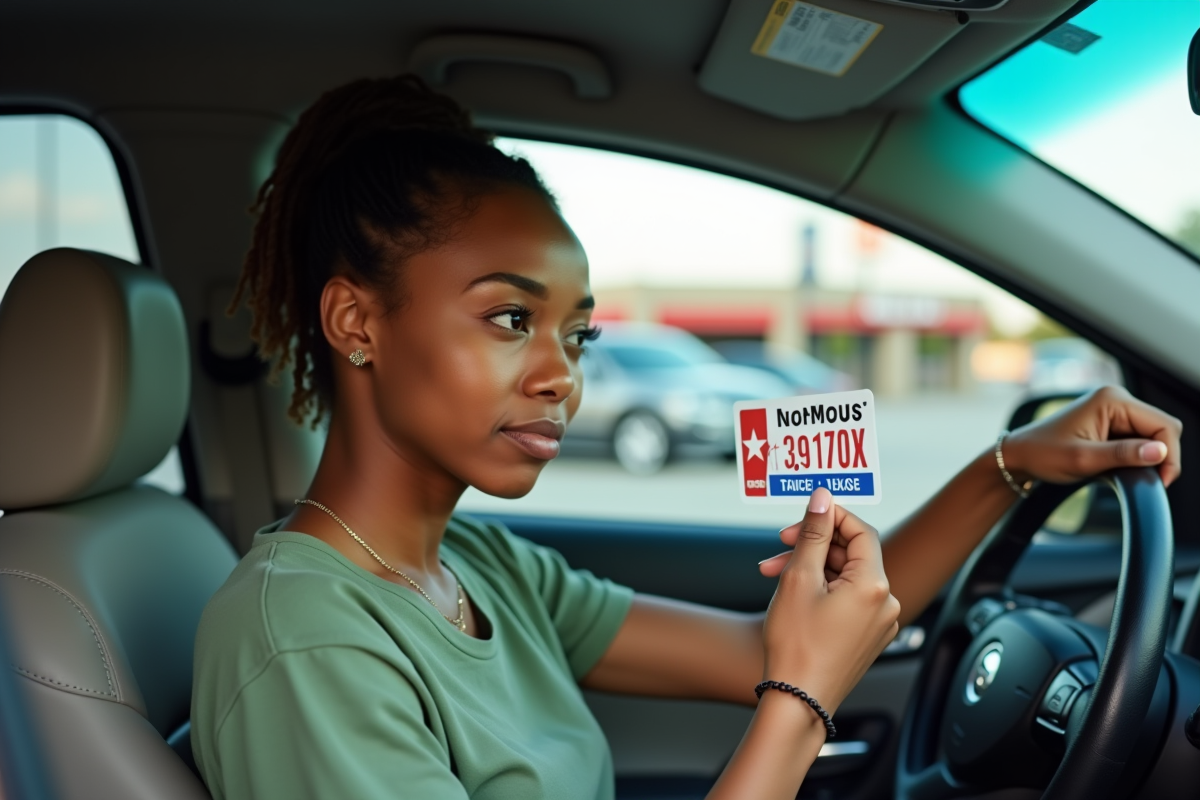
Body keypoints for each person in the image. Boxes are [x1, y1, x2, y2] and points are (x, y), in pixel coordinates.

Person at [190, 75, 1184, 800]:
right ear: (357, 323)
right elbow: (787, 672)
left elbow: (765, 646)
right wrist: (800, 702)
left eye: (578, 334)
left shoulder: (480, 566)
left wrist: (1007, 467)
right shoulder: (304, 638)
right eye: (507, 319)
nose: (562, 375)